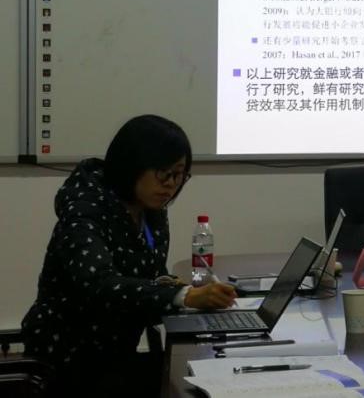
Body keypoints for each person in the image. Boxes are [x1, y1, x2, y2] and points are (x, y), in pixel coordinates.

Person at [22, 115, 236, 397]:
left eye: (179, 175)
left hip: (116, 355)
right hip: (69, 361)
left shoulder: (151, 209)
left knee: (202, 376)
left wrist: (185, 290)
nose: (171, 184)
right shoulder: (85, 209)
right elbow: (99, 285)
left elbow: (150, 277)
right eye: (164, 173)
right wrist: (183, 296)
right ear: (132, 165)